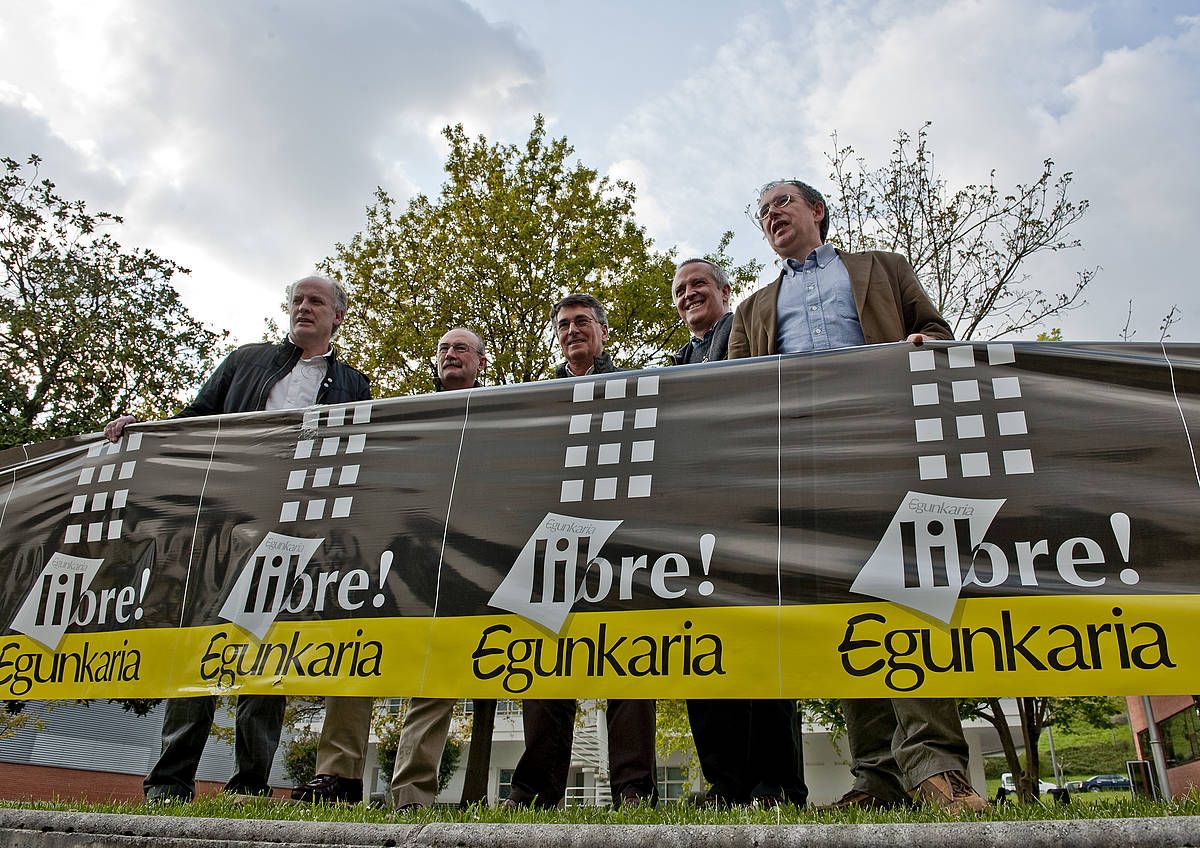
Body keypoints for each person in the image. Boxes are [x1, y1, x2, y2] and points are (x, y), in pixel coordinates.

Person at [728, 180, 986, 814]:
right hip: (804, 466)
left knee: (913, 595)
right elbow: (729, 390)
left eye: (781, 203)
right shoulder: (754, 308)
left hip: (890, 443)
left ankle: (938, 768)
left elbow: (935, 332)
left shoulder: (883, 270)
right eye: (762, 213)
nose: (771, 215)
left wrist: (928, 344)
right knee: (850, 610)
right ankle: (877, 776)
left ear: (817, 210)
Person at [106, 275, 373, 802]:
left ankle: (249, 784)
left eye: (315, 301)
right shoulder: (245, 361)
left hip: (290, 530)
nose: (303, 308)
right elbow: (195, 420)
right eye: (296, 300)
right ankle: (169, 781)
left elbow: (357, 453)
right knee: (200, 643)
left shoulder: (352, 383)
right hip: (224, 520)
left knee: (265, 651)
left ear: (337, 316)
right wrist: (144, 430)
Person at [503, 294, 658, 809]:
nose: (572, 331)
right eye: (564, 324)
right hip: (551, 541)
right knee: (544, 665)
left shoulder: (634, 387)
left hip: (620, 539)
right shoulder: (539, 397)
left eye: (582, 322)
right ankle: (535, 787)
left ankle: (632, 788)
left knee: (628, 664)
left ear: (604, 332)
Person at [669, 259, 808, 807]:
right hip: (698, 519)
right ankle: (724, 781)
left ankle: (776, 781)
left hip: (753, 507)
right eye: (680, 290)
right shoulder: (677, 363)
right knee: (703, 650)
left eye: (698, 284)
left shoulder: (749, 332)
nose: (688, 295)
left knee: (762, 643)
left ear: (726, 291)